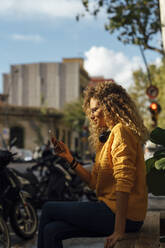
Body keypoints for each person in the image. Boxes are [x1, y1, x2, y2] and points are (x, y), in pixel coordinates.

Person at [37, 81, 149, 248]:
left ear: (110, 107)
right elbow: (93, 183)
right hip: (111, 211)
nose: (91, 115)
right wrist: (69, 158)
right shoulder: (106, 140)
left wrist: (119, 231)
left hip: (125, 216)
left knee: (48, 209)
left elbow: (123, 183)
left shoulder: (121, 132)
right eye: (90, 110)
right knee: (51, 231)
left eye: (95, 109)